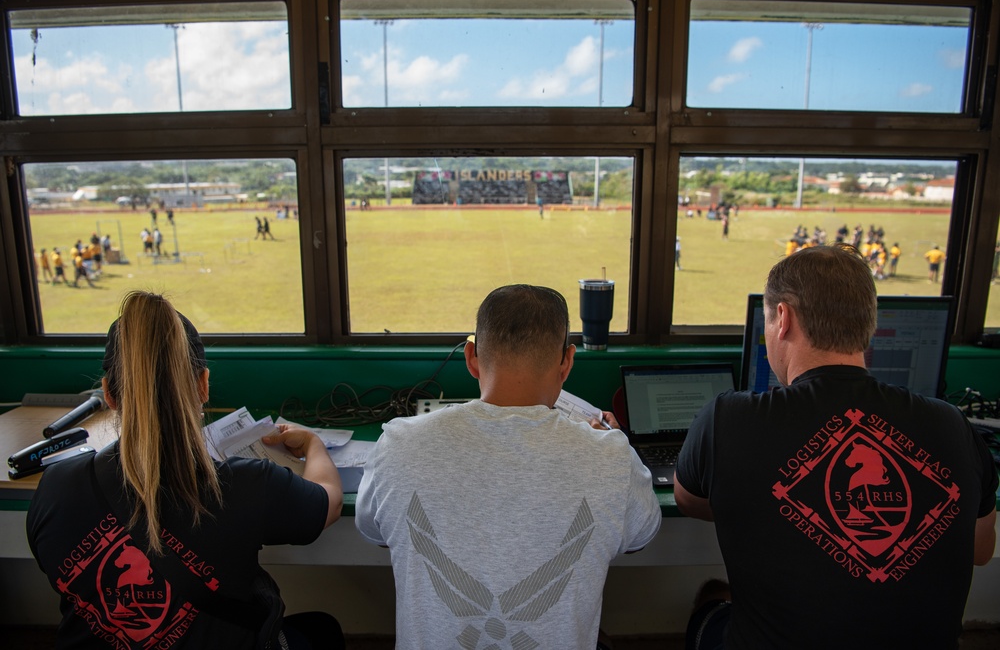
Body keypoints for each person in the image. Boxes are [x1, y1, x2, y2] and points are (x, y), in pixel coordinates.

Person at [674, 245, 998, 650]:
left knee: (713, 598)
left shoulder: (728, 418)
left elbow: (686, 501)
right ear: (869, 324)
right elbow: (981, 549)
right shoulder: (953, 424)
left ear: (782, 319)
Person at [27, 291, 346, 649]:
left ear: (109, 395)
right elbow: (329, 503)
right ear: (203, 385)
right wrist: (314, 446)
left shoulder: (55, 486)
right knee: (323, 631)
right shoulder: (245, 484)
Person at [355, 284, 661, 649]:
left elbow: (373, 531)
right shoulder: (611, 457)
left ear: (471, 357)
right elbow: (641, 536)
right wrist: (606, 443)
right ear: (567, 362)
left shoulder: (398, 445)